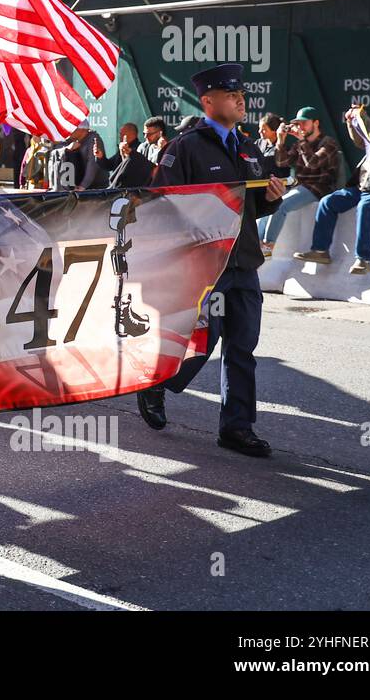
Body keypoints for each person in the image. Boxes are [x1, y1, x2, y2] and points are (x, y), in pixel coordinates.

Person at [139, 63, 286, 457]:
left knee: (242, 347)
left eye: (242, 95)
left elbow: (253, 206)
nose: (241, 100)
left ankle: (237, 429)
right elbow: (160, 201)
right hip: (206, 266)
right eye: (231, 95)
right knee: (201, 342)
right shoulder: (186, 146)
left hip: (244, 264)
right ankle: (156, 382)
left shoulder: (248, 147)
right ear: (208, 101)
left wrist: (271, 198)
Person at [293, 98, 370, 274]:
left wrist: (362, 117)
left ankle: (363, 259)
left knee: (366, 207)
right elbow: (362, 142)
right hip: (366, 188)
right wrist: (352, 123)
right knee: (329, 202)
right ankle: (320, 250)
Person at [257, 106, 340, 253]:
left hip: (320, 188)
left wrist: (302, 141)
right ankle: (255, 243)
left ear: (316, 123)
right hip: (300, 186)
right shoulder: (299, 144)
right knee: (269, 202)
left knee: (280, 205)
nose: (300, 126)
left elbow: (312, 164)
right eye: (298, 123)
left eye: (304, 122)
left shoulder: (328, 143)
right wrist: (281, 141)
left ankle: (268, 245)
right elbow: (282, 162)